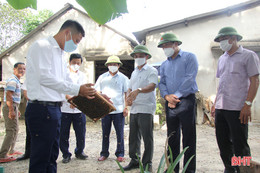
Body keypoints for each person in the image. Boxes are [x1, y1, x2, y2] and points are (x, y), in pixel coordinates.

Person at [25, 20, 97, 173]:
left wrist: (96, 95)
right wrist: (78, 89)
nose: (76, 45)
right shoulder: (42, 47)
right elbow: (44, 78)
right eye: (76, 40)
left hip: (54, 110)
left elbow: (68, 81)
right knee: (41, 157)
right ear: (67, 33)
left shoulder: (60, 54)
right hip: (41, 108)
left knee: (52, 156)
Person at [211, 27, 260, 173]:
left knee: (240, 145)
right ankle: (230, 169)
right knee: (223, 143)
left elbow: (255, 81)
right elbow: (222, 84)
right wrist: (215, 103)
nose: (221, 42)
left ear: (233, 38)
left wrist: (248, 104)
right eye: (219, 40)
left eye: (223, 39)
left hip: (238, 108)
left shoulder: (248, 56)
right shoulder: (222, 58)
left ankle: (244, 170)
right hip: (221, 107)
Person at [158, 33, 198, 173]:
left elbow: (190, 78)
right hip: (170, 103)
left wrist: (176, 96)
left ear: (176, 44)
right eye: (163, 46)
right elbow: (161, 83)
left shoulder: (189, 57)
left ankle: (189, 170)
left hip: (186, 100)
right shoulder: (164, 64)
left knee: (188, 137)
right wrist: (167, 96)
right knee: (172, 137)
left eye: (167, 45)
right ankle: (172, 168)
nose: (165, 48)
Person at [123, 45, 158, 172]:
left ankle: (147, 163)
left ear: (147, 57)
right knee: (133, 137)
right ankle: (134, 160)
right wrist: (128, 98)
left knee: (147, 137)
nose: (138, 58)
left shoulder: (151, 70)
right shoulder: (134, 72)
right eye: (136, 56)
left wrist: (139, 90)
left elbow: (152, 86)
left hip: (146, 108)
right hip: (135, 109)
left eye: (141, 56)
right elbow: (130, 88)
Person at [94, 55, 129, 162]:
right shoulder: (102, 77)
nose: (112, 66)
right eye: (110, 64)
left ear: (118, 65)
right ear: (107, 65)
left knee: (119, 133)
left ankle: (120, 153)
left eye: (115, 64)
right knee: (105, 133)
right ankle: (104, 153)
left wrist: (126, 107)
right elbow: (96, 92)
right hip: (105, 110)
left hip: (118, 110)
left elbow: (126, 93)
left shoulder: (123, 78)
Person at [60, 53, 88, 163]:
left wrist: (76, 102)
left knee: (81, 132)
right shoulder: (63, 74)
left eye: (78, 63)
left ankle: (79, 151)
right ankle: (65, 154)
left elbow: (84, 90)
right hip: (65, 109)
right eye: (74, 62)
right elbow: (62, 88)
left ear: (81, 64)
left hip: (79, 109)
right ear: (69, 62)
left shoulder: (83, 75)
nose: (76, 64)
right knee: (63, 133)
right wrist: (70, 100)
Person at [0, 62, 26, 163]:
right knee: (11, 130)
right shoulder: (12, 81)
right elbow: (9, 96)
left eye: (24, 69)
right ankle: (2, 154)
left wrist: (17, 109)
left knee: (16, 129)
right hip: (10, 106)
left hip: (14, 106)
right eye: (20, 69)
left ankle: (11, 150)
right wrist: (11, 110)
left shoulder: (17, 80)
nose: (22, 71)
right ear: (14, 69)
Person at [16, 81, 31, 161]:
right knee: (29, 132)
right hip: (32, 107)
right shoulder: (29, 79)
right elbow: (25, 92)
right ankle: (28, 153)